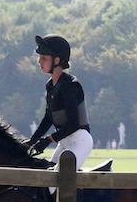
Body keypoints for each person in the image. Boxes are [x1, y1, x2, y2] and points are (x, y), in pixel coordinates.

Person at [24, 34, 91, 174]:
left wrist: (49, 139)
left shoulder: (69, 86)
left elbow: (73, 124)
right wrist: (31, 141)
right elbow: (48, 118)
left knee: (53, 184)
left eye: (44, 58)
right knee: (45, 179)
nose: (39, 61)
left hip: (79, 141)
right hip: (65, 142)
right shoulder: (51, 85)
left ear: (57, 60)